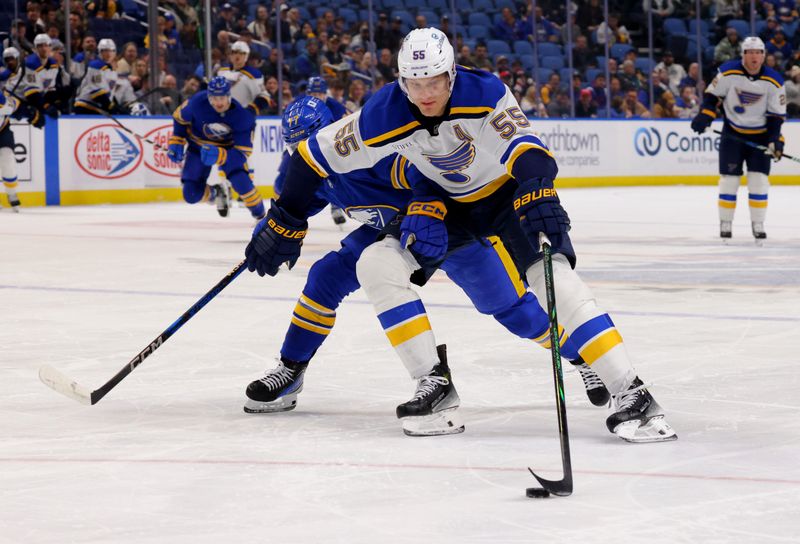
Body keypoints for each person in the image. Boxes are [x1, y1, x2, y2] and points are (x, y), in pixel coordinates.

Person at [245, 28, 677, 443]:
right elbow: (307, 160)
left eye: (435, 80)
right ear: (401, 83)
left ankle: (632, 391)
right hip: (447, 207)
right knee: (375, 264)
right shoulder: (383, 113)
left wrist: (536, 187)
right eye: (415, 84)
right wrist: (286, 218)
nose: (426, 93)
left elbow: (527, 150)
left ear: (452, 74)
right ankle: (433, 385)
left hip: (503, 195)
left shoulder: (483, 93)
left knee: (552, 282)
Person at [244, 96, 610, 424]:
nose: (307, 154)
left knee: (514, 312)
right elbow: (296, 204)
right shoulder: (317, 169)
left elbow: (429, 173)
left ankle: (581, 356)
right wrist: (276, 226)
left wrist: (426, 207)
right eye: (298, 149)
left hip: (447, 227)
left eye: (311, 142)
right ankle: (291, 369)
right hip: (390, 234)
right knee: (326, 277)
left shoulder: (373, 155)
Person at [691, 36, 786, 242]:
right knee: (729, 181)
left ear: (763, 56)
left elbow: (776, 116)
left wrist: (774, 139)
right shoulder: (727, 72)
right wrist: (706, 114)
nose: (754, 56)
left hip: (760, 137)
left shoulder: (774, 81)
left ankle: (758, 223)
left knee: (759, 181)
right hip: (732, 134)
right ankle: (725, 222)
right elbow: (712, 96)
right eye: (750, 52)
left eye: (758, 53)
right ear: (743, 55)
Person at [167, 76, 265, 220]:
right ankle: (216, 193)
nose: (218, 102)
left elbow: (243, 151)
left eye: (222, 98)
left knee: (242, 185)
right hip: (198, 147)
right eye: (214, 98)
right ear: (208, 96)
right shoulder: (197, 103)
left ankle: (262, 217)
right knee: (191, 194)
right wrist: (177, 139)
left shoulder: (242, 116)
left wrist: (221, 155)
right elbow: (179, 118)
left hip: (228, 149)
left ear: (229, 96)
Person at [215, 40, 272, 212]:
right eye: (234, 52)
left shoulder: (252, 74)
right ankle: (225, 187)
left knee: (242, 154)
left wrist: (250, 111)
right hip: (221, 121)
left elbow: (264, 97)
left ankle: (244, 190)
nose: (237, 56)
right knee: (221, 154)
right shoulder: (221, 72)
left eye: (241, 53)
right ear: (230, 54)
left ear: (246, 56)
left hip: (242, 122)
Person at [305, 76, 348, 225]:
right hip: (305, 147)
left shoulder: (337, 108)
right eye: (313, 94)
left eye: (319, 94)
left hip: (330, 147)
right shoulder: (300, 106)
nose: (316, 97)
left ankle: (336, 207)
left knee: (333, 176)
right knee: (284, 177)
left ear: (326, 93)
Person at [22, 34, 70, 118]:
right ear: (35, 49)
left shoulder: (53, 64)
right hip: (22, 99)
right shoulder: (31, 63)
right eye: (40, 46)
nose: (44, 49)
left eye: (46, 45)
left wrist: (55, 103)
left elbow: (50, 89)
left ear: (50, 47)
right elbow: (31, 94)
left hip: (38, 97)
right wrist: (46, 106)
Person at [73, 39, 120, 114]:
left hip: (100, 108)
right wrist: (111, 107)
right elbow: (96, 92)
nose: (109, 54)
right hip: (85, 106)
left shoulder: (112, 70)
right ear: (100, 52)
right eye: (105, 50)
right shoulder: (95, 66)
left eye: (112, 50)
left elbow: (108, 93)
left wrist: (117, 106)